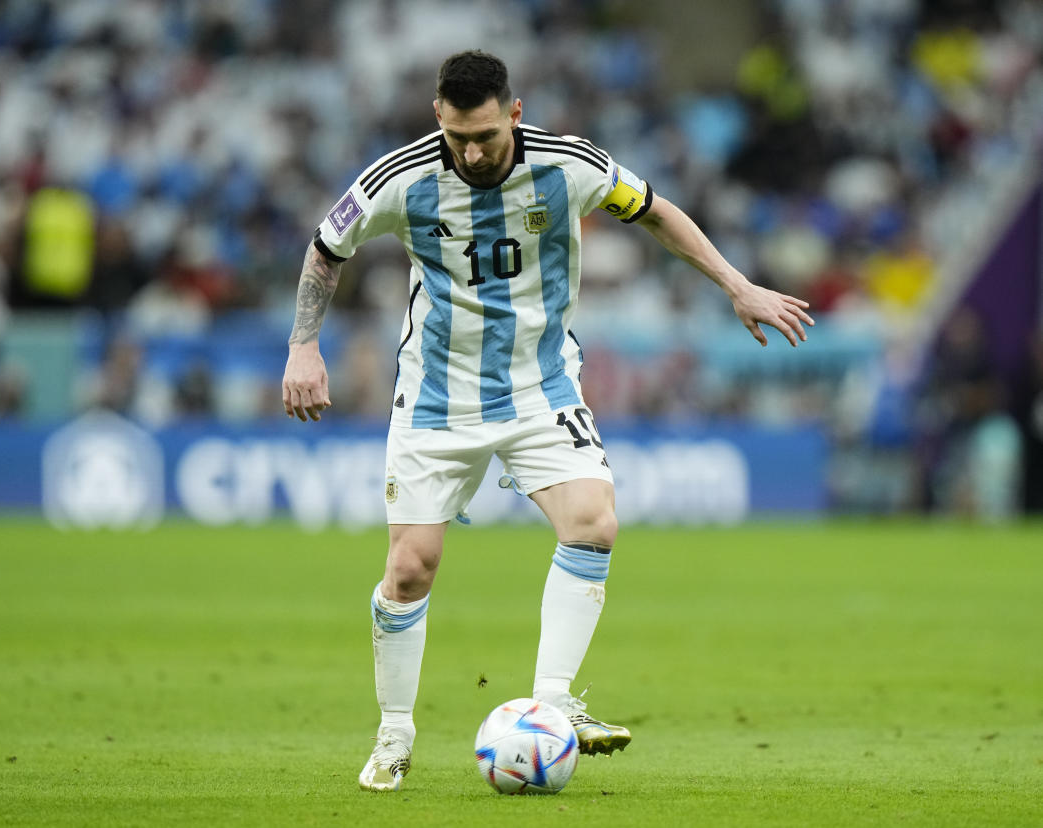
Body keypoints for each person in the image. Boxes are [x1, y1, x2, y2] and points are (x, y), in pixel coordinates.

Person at [281, 50, 813, 792]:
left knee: (594, 521)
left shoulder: (572, 167)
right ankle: (394, 734)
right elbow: (326, 248)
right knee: (409, 569)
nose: (471, 151)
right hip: (437, 397)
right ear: (439, 115)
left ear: (516, 114)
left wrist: (737, 284)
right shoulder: (397, 179)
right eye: (458, 136)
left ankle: (554, 703)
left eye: (487, 136)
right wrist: (303, 346)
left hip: (540, 386)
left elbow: (656, 210)